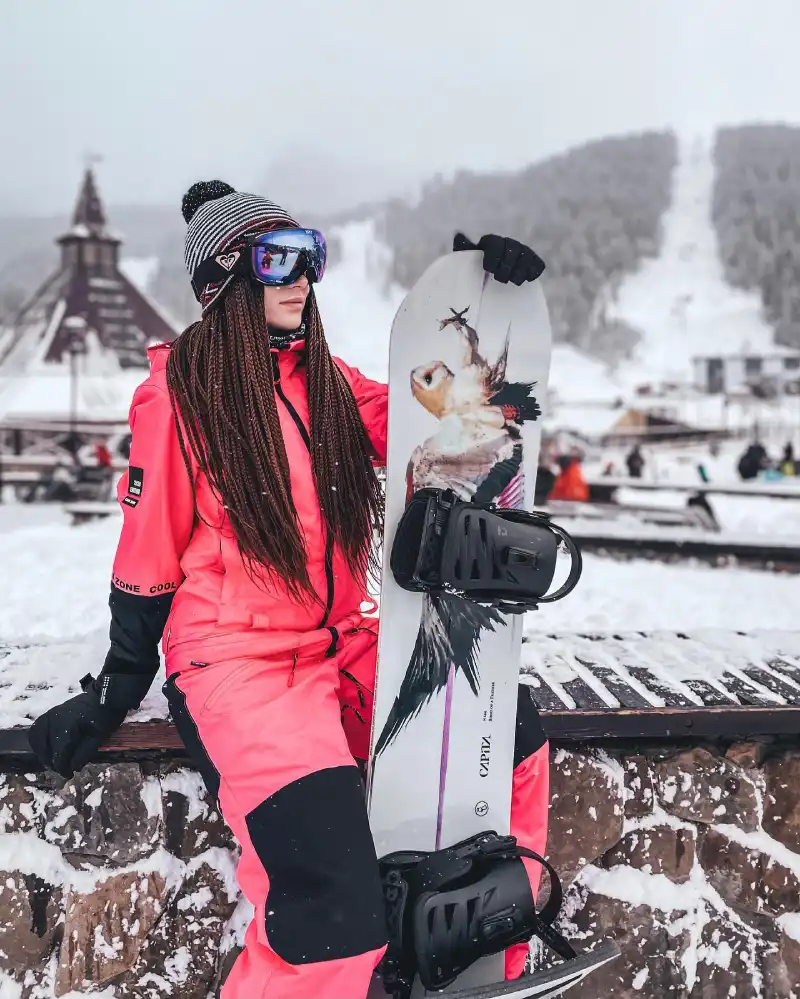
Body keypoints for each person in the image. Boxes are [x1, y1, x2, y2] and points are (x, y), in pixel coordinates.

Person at [27, 182, 552, 999]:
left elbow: (448, 428)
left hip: (345, 640)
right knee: (329, 913)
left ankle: (480, 948)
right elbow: (147, 551)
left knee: (508, 732)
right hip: (242, 669)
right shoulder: (180, 395)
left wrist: (477, 311)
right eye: (278, 260)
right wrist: (115, 688)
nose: (301, 277)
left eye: (310, 255)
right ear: (225, 281)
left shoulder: (328, 383)